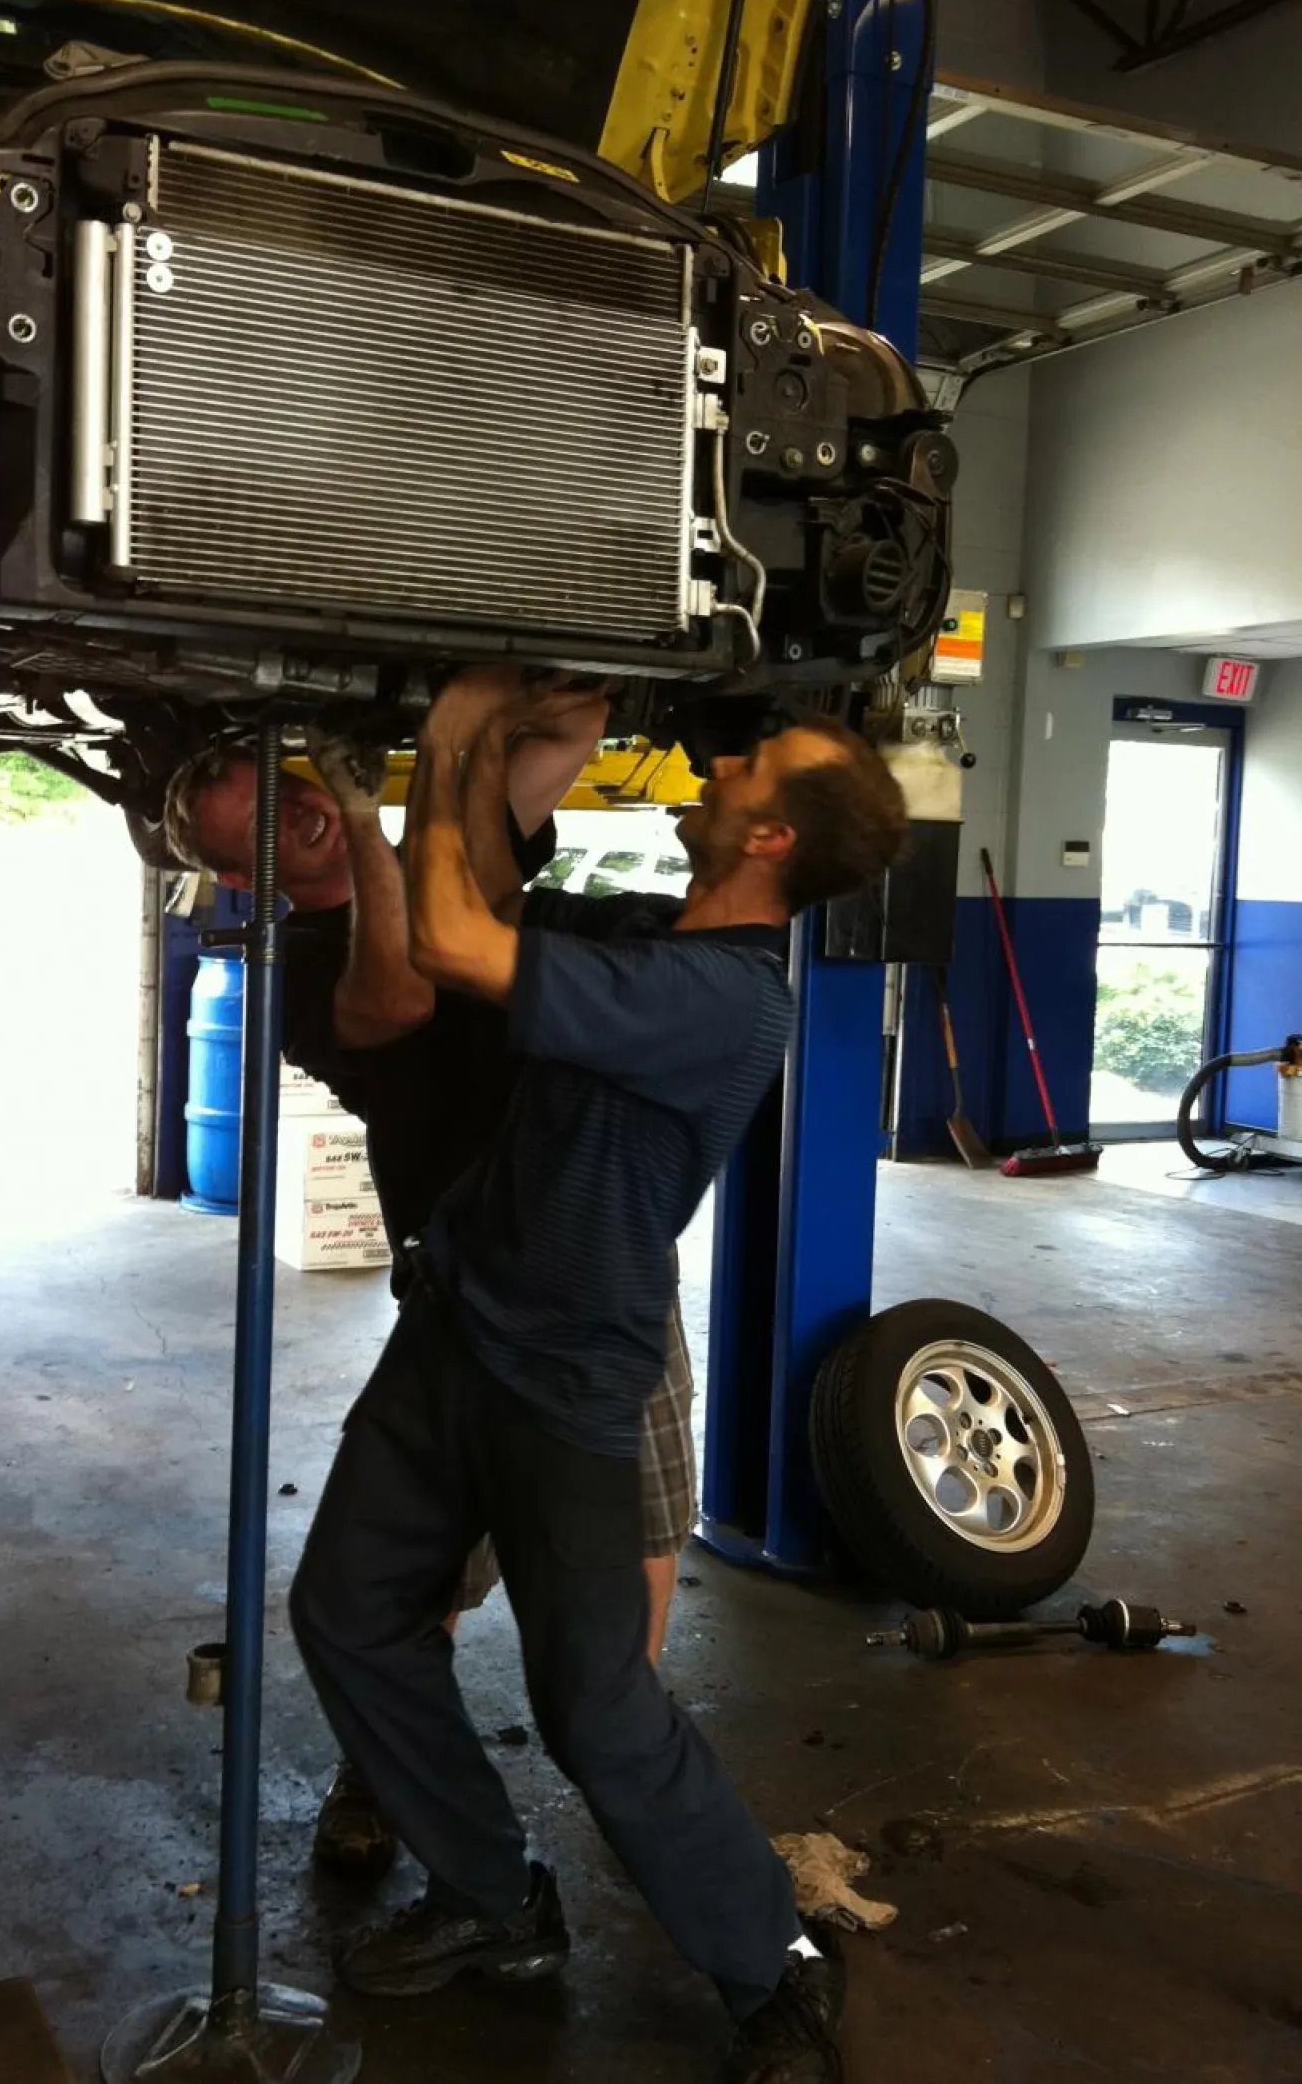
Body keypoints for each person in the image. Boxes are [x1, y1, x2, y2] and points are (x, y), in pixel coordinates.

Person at [288, 670, 909, 2084]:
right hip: (454, 1324)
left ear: (769, 842)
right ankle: (495, 1897)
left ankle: (778, 1967)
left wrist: (454, 729)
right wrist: (494, 758)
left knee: (595, 1704)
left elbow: (448, 924)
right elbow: (482, 918)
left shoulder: (725, 1002)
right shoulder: (653, 931)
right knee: (348, 1611)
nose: (729, 764)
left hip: (567, 1375)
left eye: (757, 767)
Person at [161, 698, 702, 1876]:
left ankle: (628, 1746)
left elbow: (556, 749)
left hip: (606, 1257)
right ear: (235, 873)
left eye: (286, 787)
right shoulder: (300, 970)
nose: (292, 809)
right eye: (257, 821)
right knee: (421, 1557)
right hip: (466, 1285)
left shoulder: (442, 859)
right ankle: (383, 1769)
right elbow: (400, 995)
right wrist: (367, 812)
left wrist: (518, 685)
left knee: (639, 1522)